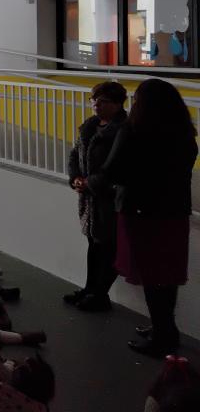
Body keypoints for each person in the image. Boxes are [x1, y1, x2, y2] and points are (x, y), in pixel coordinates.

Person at [90, 78, 198, 356]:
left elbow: (113, 170)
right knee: (168, 275)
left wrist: (91, 183)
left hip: (142, 213)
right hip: (174, 213)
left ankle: (162, 336)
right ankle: (166, 328)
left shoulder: (134, 131)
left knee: (151, 276)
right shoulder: (185, 134)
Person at [65, 81, 128, 312]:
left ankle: (100, 294)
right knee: (93, 244)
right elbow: (75, 154)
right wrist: (75, 178)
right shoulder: (90, 126)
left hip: (110, 198)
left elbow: (116, 166)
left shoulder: (123, 129)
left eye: (103, 101)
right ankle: (89, 289)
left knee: (108, 248)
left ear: (118, 104)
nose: (96, 105)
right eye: (94, 100)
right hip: (90, 199)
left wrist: (89, 183)